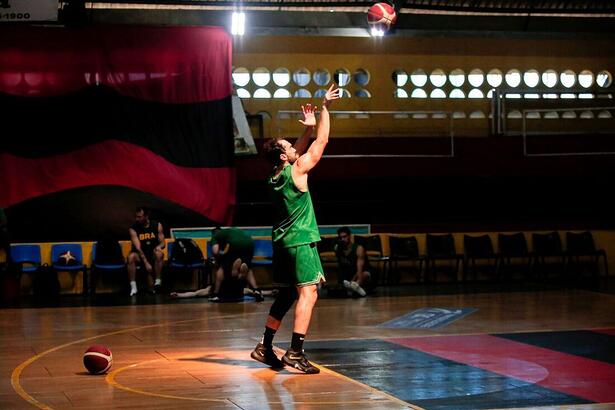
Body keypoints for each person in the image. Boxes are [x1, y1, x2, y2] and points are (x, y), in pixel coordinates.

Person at [251, 83, 340, 374]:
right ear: (283, 157)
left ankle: (264, 346)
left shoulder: (274, 177)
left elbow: (297, 150)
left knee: (287, 294)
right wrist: (324, 108)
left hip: (282, 243)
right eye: (289, 147)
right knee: (309, 292)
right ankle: (295, 352)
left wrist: (306, 128)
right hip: (301, 242)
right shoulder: (298, 170)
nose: (294, 147)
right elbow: (322, 142)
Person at [208, 226, 264, 302]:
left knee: (222, 268)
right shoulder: (230, 232)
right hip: (250, 242)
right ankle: (256, 290)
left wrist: (220, 260)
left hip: (236, 243)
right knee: (248, 268)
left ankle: (216, 294)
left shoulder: (215, 236)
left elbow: (215, 251)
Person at [127, 206, 164, 296]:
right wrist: (146, 262)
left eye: (139, 217)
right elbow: (138, 248)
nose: (137, 219)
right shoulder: (133, 228)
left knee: (159, 254)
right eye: (136, 216)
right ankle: (133, 287)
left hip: (152, 253)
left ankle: (158, 281)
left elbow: (163, 243)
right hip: (140, 255)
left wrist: (159, 247)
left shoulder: (157, 225)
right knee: (130, 257)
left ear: (146, 216)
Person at [335, 226, 372, 297]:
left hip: (363, 273)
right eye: (340, 237)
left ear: (349, 236)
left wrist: (356, 281)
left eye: (344, 237)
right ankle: (353, 288)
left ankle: (356, 286)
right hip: (350, 273)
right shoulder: (338, 249)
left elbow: (359, 269)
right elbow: (341, 266)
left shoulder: (358, 248)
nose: (342, 239)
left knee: (365, 273)